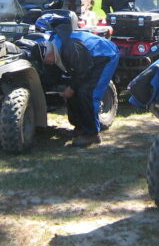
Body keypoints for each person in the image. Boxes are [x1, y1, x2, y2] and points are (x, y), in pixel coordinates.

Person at [37, 12, 120, 148]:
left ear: (51, 53)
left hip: (105, 55)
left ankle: (92, 134)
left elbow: (83, 69)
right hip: (87, 60)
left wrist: (72, 86)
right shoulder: (53, 48)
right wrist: (66, 87)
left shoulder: (68, 48)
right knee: (74, 93)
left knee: (88, 93)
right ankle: (81, 127)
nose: (49, 62)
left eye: (48, 59)